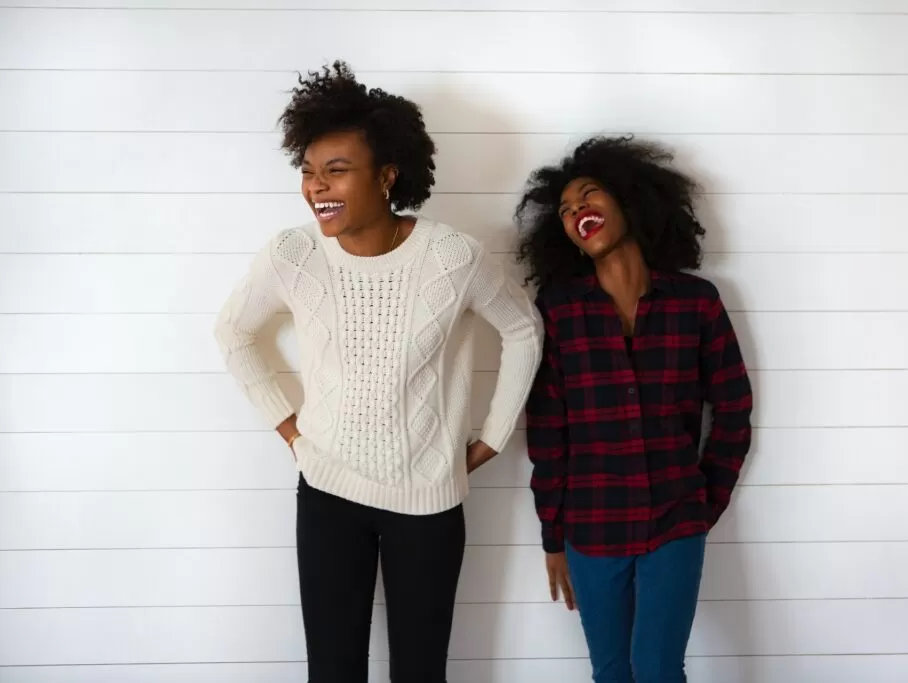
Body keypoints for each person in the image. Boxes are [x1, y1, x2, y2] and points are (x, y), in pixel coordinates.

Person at [214, 61, 543, 683]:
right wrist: (289, 430)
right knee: (333, 671)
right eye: (308, 172)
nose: (317, 188)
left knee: (421, 672)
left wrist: (494, 436)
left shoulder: (453, 257)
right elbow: (232, 331)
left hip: (429, 502)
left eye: (336, 170)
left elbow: (524, 330)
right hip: (328, 493)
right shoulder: (293, 253)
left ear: (388, 175)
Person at [516, 136, 753, 683]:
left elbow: (734, 409)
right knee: (612, 672)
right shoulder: (558, 312)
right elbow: (548, 434)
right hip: (591, 527)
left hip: (676, 521)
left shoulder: (697, 302)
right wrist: (554, 537)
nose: (577, 212)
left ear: (629, 200)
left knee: (659, 668)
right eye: (566, 210)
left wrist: (702, 503)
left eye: (589, 196)